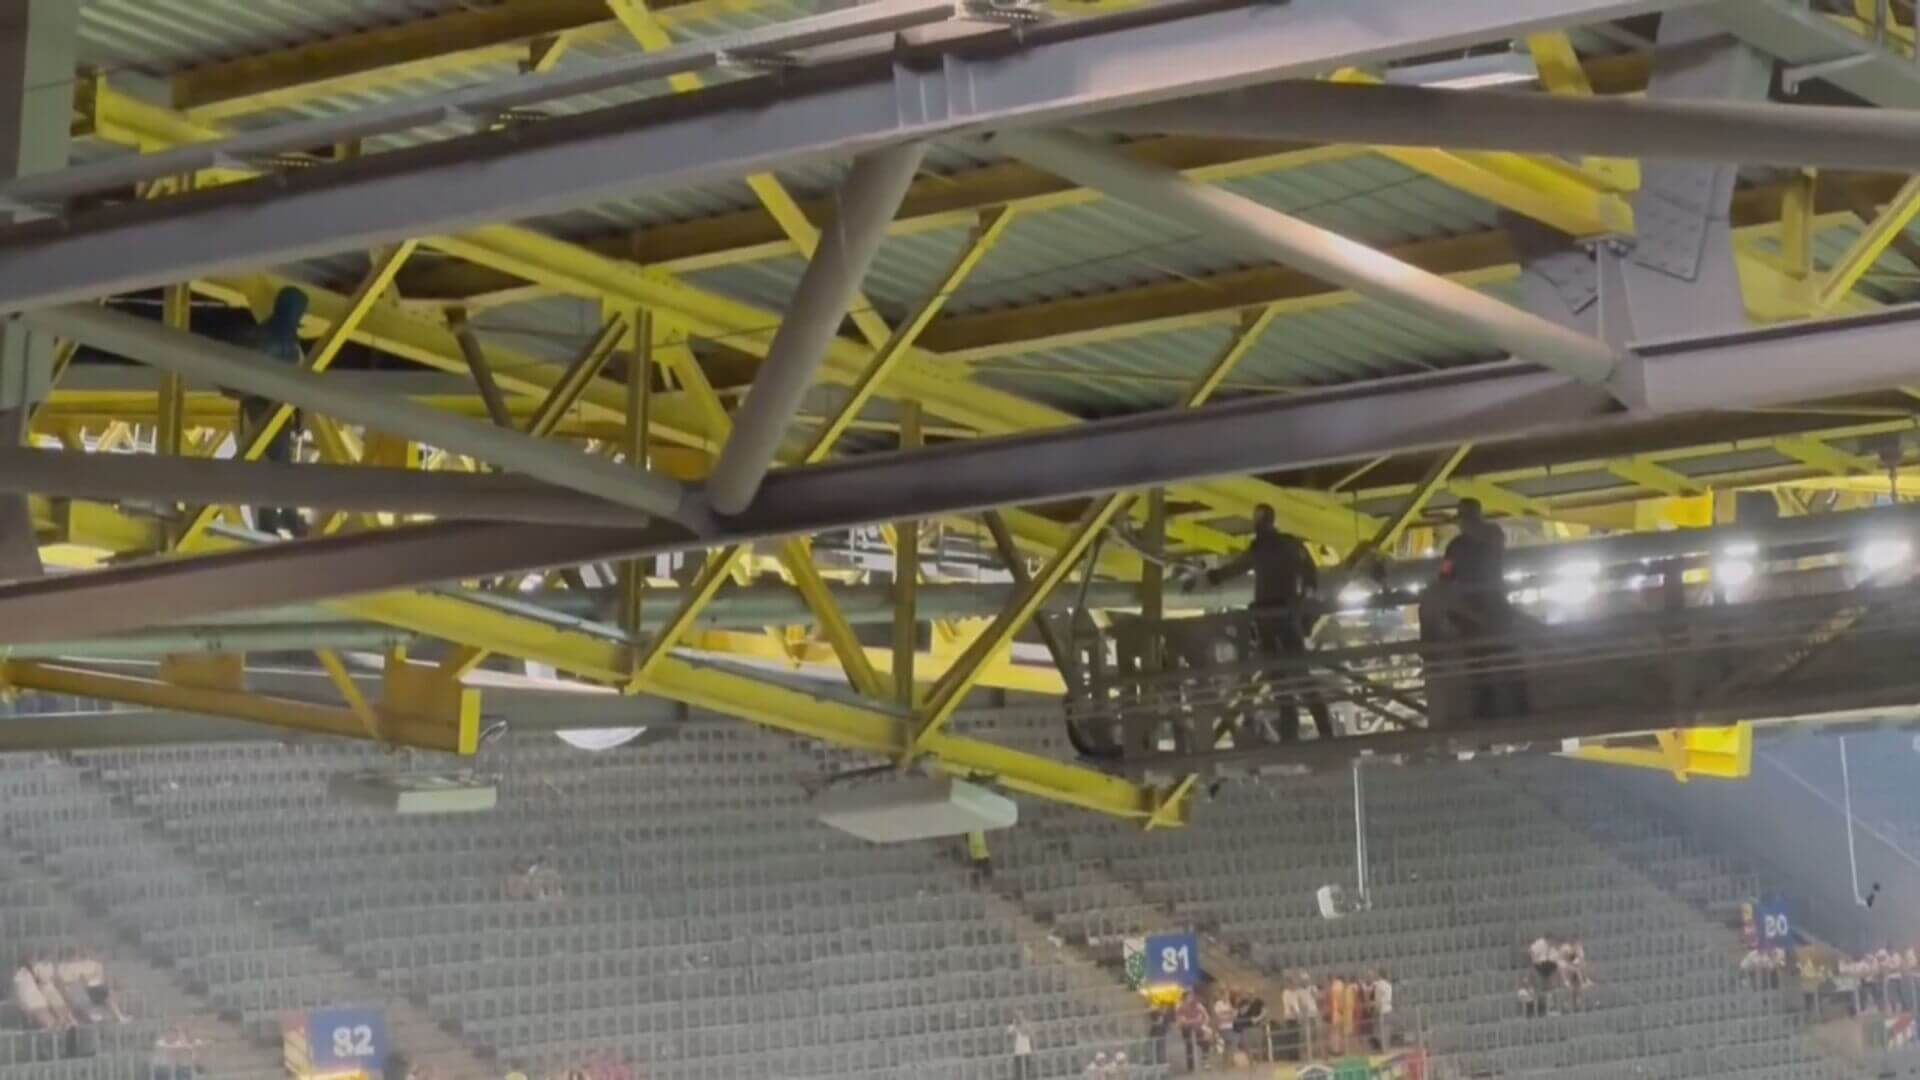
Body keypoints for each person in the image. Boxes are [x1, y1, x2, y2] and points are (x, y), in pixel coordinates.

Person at [1189, 504, 1334, 743]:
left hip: (1268, 617)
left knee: (1280, 679)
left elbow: (1238, 567)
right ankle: (1322, 733)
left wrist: (1213, 578)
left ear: (1261, 521)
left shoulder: (1263, 547)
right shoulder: (1290, 545)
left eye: (1257, 519)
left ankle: (1291, 737)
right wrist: (1305, 603)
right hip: (1285, 615)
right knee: (1298, 676)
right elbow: (1309, 571)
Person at [214, 286, 310, 537]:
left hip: (256, 411)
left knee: (267, 467)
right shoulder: (287, 345)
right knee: (277, 467)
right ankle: (280, 520)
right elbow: (300, 386)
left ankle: (275, 521)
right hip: (272, 413)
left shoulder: (258, 337)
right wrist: (300, 419)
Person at [1442, 498, 1529, 721]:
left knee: (1504, 659)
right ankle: (1489, 710)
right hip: (1478, 609)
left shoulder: (1487, 537)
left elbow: (1446, 574)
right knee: (1482, 664)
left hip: (1486, 607)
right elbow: (1445, 575)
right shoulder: (1457, 546)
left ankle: (1516, 707)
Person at [1176, 990, 1209, 1072]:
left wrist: (1204, 1024)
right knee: (1189, 1046)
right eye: (1189, 997)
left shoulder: (1198, 1005)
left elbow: (1206, 1016)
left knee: (1205, 1043)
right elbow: (1182, 1021)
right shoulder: (1181, 1007)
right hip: (1187, 1029)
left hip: (1198, 1028)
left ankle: (1205, 1061)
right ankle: (1191, 1067)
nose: (1191, 998)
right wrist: (1196, 1020)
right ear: (1184, 998)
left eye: (1191, 996)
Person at [1235, 988, 1267, 1064]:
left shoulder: (1259, 1001)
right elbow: (1240, 1012)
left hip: (1257, 1026)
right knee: (1247, 1045)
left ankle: (1260, 1061)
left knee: (1258, 1045)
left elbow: (1264, 1012)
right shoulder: (1243, 1002)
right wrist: (1247, 1006)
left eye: (1252, 994)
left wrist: (1258, 1018)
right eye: (1249, 994)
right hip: (1246, 1027)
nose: (1250, 995)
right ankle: (1251, 1062)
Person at [1528, 935, 1559, 1001]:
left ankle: (1551, 990)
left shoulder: (1553, 945)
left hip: (1550, 964)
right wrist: (1534, 959)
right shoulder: (1540, 943)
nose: (1551, 941)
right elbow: (1531, 950)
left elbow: (1556, 956)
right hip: (1540, 964)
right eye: (1550, 940)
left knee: (1555, 972)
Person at [1369, 970, 1394, 1050]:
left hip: (1381, 1010)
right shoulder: (1388, 985)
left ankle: (1383, 1047)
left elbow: (1378, 999)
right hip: (1389, 1009)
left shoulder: (1378, 985)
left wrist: (1374, 1005)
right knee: (1387, 1029)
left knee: (1381, 1030)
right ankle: (1387, 1046)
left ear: (1380, 976)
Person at [1559, 939, 1588, 1009]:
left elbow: (1580, 969)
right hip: (1564, 982)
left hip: (1575, 982)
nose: (1568, 954)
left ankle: (1579, 1003)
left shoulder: (1575, 961)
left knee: (1580, 986)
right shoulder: (1561, 963)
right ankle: (1569, 1005)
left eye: (1569, 952)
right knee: (1570, 988)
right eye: (1566, 952)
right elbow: (1563, 976)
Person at [1008, 1013, 1034, 1079]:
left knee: (1027, 1070)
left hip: (1026, 1051)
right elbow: (1010, 1036)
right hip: (1017, 1052)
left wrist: (1020, 1027)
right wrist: (1015, 1026)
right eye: (1018, 1017)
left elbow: (1028, 1033)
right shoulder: (1011, 1027)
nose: (1019, 1018)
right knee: (1018, 1071)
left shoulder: (1026, 1025)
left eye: (1021, 1016)